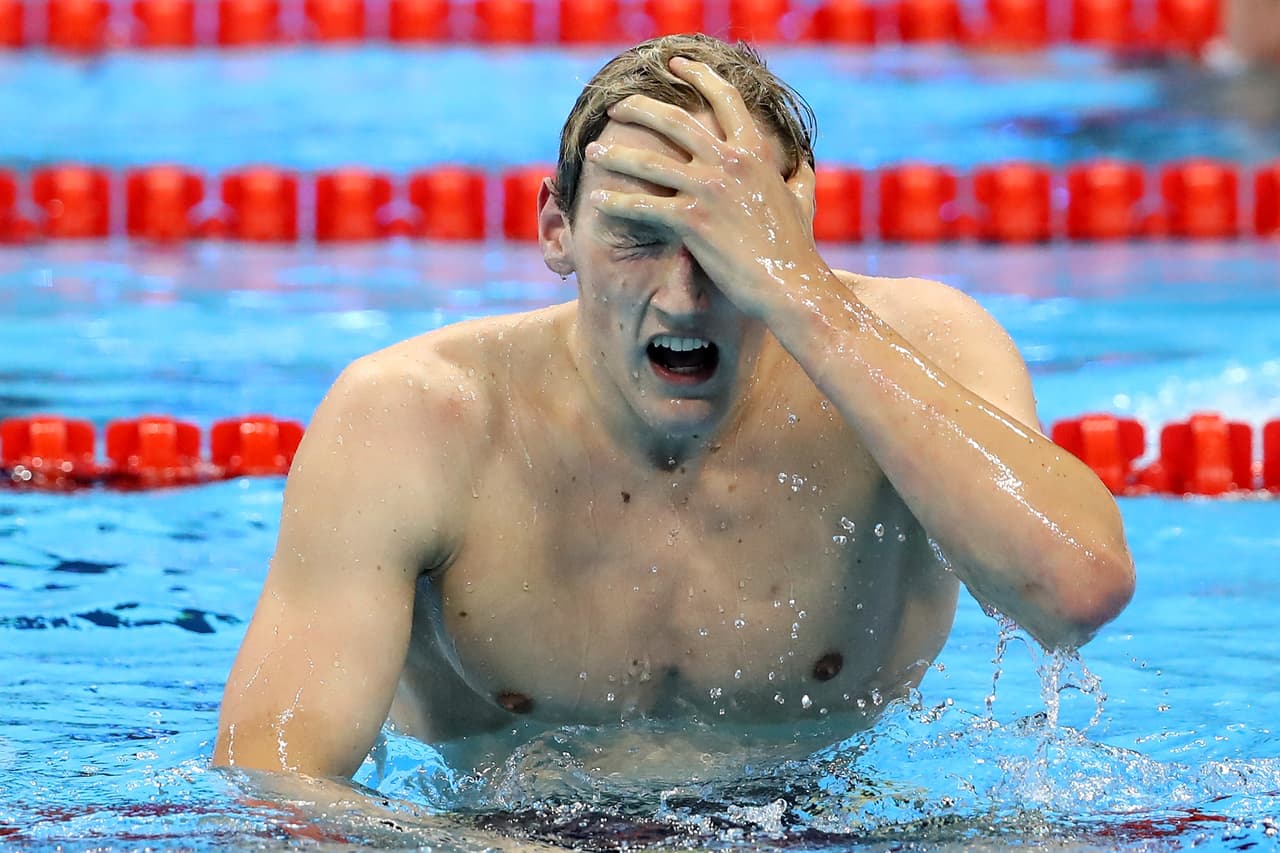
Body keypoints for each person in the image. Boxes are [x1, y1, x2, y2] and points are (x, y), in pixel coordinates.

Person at [213, 33, 1135, 780]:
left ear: (793, 233)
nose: (684, 298)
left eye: (727, 245)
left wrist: (801, 292)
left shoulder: (920, 350)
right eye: (639, 236)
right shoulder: (414, 419)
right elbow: (273, 786)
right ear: (557, 229)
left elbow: (1075, 592)